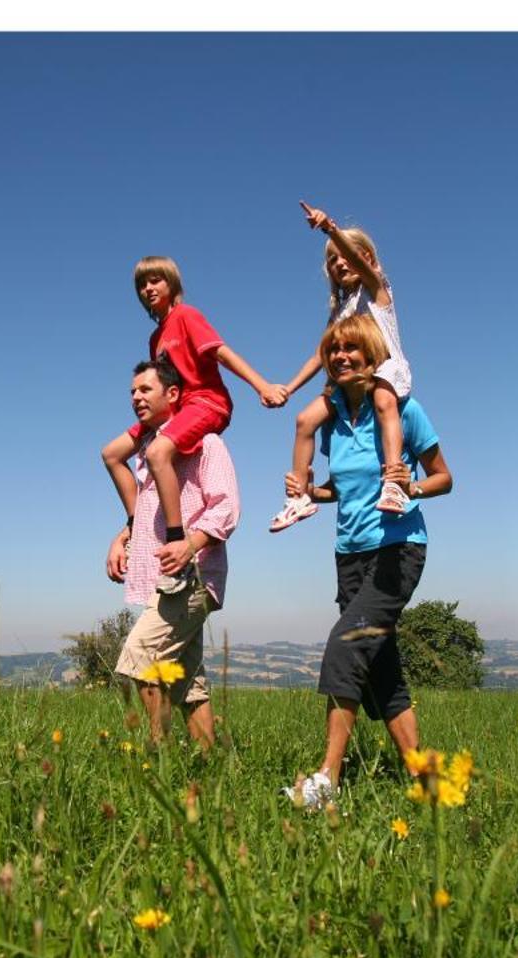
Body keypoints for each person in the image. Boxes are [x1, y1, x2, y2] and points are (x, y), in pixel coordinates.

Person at [282, 313, 452, 810]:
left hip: (398, 550)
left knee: (345, 647)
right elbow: (343, 488)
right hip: (349, 555)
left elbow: (445, 477)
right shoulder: (334, 422)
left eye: (351, 349)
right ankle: (427, 782)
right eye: (333, 351)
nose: (341, 357)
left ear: (372, 354)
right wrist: (309, 490)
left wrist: (410, 484)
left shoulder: (403, 409)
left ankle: (326, 779)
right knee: (383, 673)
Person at [103, 256, 281, 560]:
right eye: (142, 284)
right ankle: (137, 522)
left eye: (156, 280)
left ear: (172, 284)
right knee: (112, 453)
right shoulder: (155, 338)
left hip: (206, 402)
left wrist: (261, 385)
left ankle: (175, 537)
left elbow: (221, 353)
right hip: (178, 409)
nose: (148, 288)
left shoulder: (187, 316)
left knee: (158, 452)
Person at [106, 360, 240, 749]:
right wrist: (124, 536)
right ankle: (208, 761)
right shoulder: (150, 449)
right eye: (132, 392)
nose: (136, 397)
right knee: (185, 678)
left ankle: (156, 755)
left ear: (174, 394)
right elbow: (146, 512)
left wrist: (191, 544)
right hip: (162, 579)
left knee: (142, 657)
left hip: (192, 576)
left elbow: (226, 508)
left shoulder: (207, 444)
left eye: (145, 390)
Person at [269, 202, 414, 532]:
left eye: (345, 255)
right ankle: (299, 498)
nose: (338, 263)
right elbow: (321, 356)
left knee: (383, 401)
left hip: (384, 372)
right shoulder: (340, 312)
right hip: (348, 382)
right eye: (332, 260)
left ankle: (393, 480)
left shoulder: (378, 290)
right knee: (305, 420)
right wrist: (289, 388)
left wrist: (330, 229)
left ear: (367, 259)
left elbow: (364, 267)